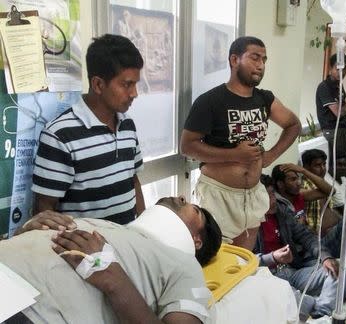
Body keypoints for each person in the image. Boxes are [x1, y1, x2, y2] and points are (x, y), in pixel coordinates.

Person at [2, 196, 222, 324]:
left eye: (194, 209)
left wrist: (114, 280)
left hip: (29, 311)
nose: (182, 198)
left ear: (197, 242)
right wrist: (28, 230)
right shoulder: (114, 229)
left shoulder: (185, 266)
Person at [180, 36, 301, 250]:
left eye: (264, 60)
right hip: (218, 196)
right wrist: (234, 155)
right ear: (234, 60)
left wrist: (271, 155)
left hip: (252, 194)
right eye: (255, 58)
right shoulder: (210, 101)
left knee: (242, 261)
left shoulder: (265, 99)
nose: (261, 65)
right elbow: (187, 146)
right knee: (216, 260)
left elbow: (293, 125)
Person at [31, 34, 145, 225]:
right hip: (88, 253)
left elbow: (133, 181)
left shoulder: (127, 125)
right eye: (127, 85)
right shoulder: (59, 135)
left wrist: (144, 231)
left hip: (128, 247)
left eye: (135, 84)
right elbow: (44, 208)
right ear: (98, 84)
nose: (134, 93)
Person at [255, 175, 346, 321]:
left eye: (272, 193)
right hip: (268, 278)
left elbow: (306, 236)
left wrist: (325, 257)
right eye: (267, 196)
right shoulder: (244, 223)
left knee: (339, 270)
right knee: (290, 298)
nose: (273, 200)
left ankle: (319, 315)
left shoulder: (281, 211)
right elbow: (242, 262)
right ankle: (322, 310)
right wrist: (272, 257)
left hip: (292, 270)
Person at [316, 53, 346, 198]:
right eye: (338, 68)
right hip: (334, 133)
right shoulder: (325, 87)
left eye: (344, 69)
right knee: (343, 170)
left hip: (343, 132)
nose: (341, 72)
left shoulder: (338, 86)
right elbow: (338, 111)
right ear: (330, 68)